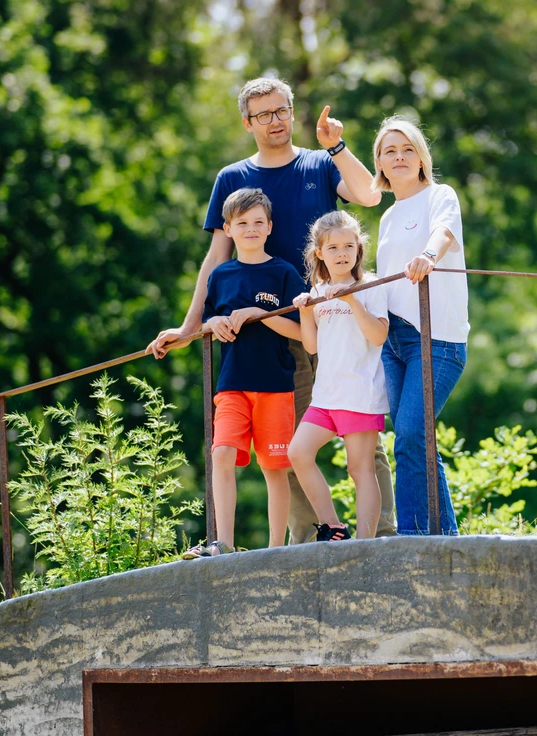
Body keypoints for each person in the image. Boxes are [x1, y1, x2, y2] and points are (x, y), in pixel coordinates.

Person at [147, 76, 397, 542]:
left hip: (339, 320)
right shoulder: (232, 178)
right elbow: (216, 257)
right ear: (247, 123)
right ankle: (309, 541)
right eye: (262, 114)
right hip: (275, 330)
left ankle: (381, 535)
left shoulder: (320, 162)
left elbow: (369, 195)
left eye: (281, 110)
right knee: (290, 443)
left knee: (362, 433)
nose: (274, 120)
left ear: (292, 111)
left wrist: (337, 145)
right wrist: (189, 327)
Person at [178, 188, 306, 557]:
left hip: (275, 386)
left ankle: (275, 549)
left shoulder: (284, 273)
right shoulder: (221, 275)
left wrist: (259, 315)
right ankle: (223, 544)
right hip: (232, 384)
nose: (251, 229)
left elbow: (302, 333)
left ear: (270, 227)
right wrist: (214, 323)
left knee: (274, 467)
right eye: (242, 223)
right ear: (228, 229)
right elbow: (206, 323)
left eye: (258, 222)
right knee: (221, 453)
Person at [373, 117, 469, 535]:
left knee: (411, 435)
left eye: (407, 149)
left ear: (421, 157)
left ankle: (411, 538)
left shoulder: (440, 195)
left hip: (436, 339)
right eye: (390, 151)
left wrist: (428, 256)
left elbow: (443, 233)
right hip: (392, 342)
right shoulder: (387, 217)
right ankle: (446, 539)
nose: (399, 157)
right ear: (379, 163)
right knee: (416, 442)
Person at [287, 211, 389, 540]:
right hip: (326, 396)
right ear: (320, 253)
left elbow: (378, 336)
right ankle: (333, 527)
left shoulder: (371, 284)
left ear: (359, 248)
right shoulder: (318, 289)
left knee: (360, 469)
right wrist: (306, 312)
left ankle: (365, 543)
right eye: (333, 248)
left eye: (348, 246)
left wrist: (352, 300)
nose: (342, 253)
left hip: (359, 393)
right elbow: (312, 346)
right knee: (298, 453)